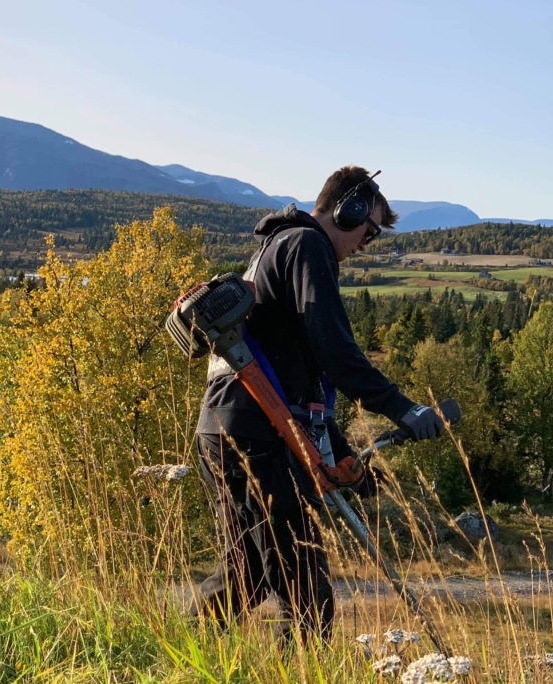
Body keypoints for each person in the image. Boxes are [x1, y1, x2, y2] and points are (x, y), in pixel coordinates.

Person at [191, 165, 444, 639]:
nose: (366, 241)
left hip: (226, 425)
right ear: (345, 211)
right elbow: (335, 350)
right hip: (255, 430)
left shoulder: (279, 245)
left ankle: (181, 656)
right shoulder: (308, 246)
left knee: (247, 573)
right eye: (367, 230)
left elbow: (299, 373)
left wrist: (340, 450)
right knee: (306, 589)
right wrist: (404, 409)